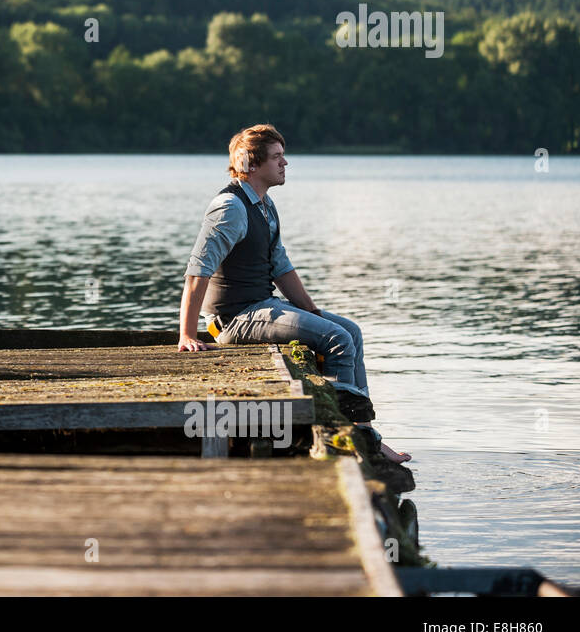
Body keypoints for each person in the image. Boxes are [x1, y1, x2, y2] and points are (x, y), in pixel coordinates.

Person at [176, 123, 411, 464]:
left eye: (283, 156)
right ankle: (344, 442)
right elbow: (198, 270)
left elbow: (282, 268)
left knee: (350, 332)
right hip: (234, 320)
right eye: (276, 157)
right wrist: (186, 334)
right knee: (337, 340)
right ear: (250, 164)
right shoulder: (230, 208)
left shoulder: (265, 206)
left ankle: (365, 435)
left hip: (263, 307)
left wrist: (313, 312)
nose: (285, 163)